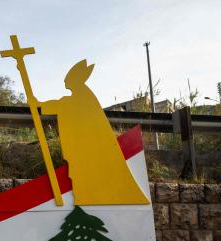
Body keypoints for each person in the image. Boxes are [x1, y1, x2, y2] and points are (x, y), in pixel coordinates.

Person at [33, 60, 150, 206]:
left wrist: (41, 105)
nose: (64, 83)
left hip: (90, 147)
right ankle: (85, 197)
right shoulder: (78, 96)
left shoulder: (83, 95)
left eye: (67, 80)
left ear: (74, 81)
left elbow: (64, 105)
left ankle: (89, 197)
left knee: (88, 171)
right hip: (84, 147)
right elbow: (63, 104)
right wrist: (40, 105)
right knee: (82, 172)